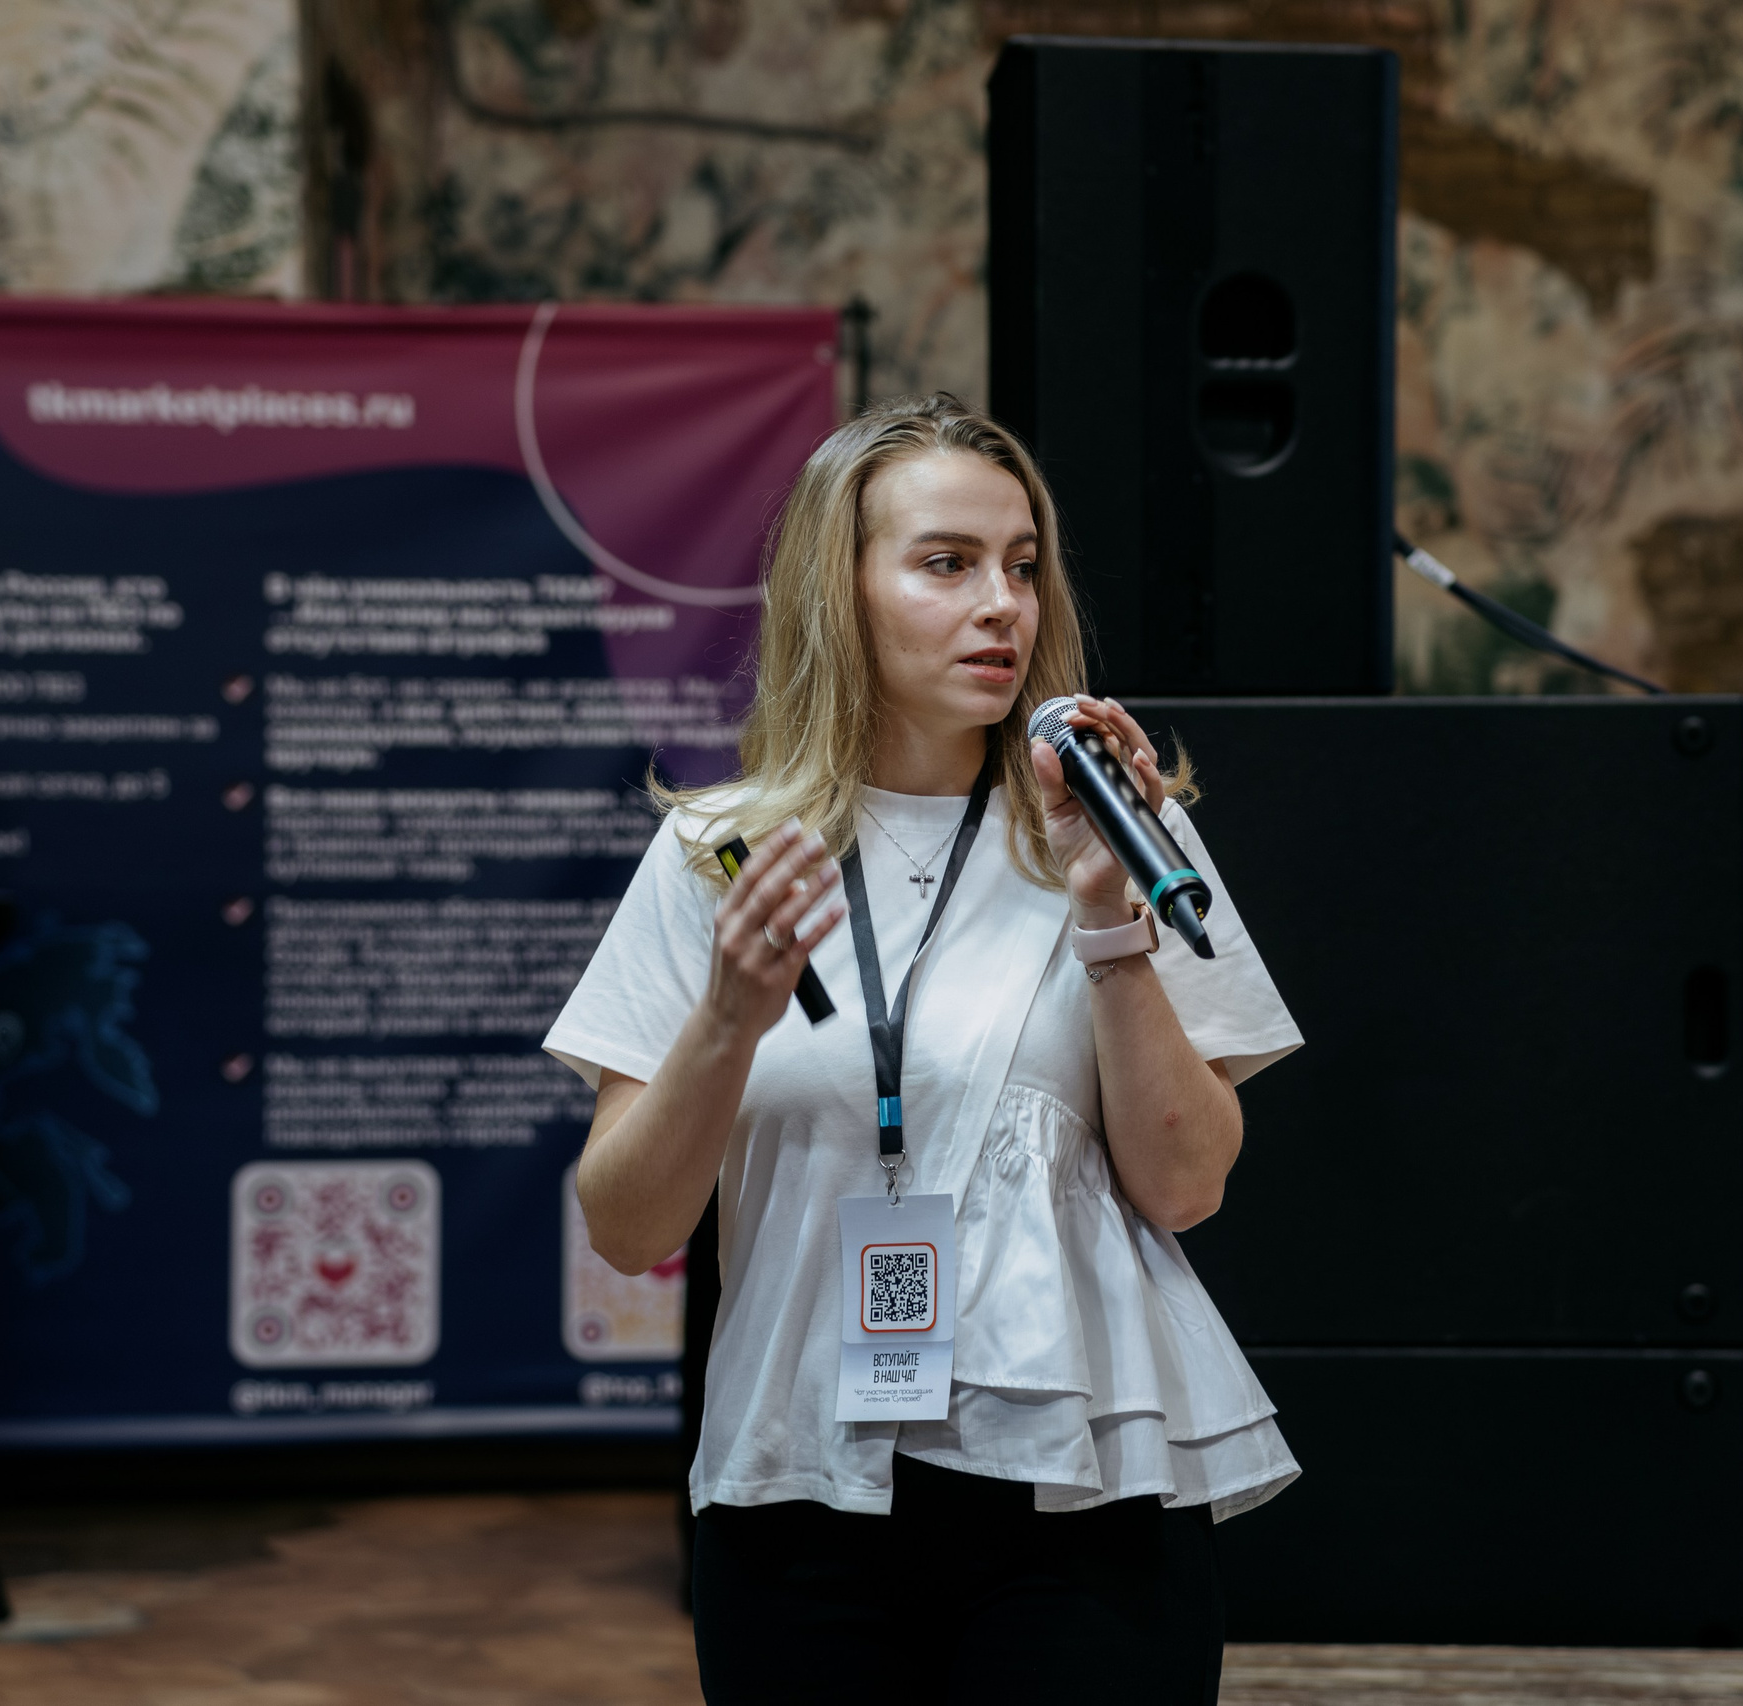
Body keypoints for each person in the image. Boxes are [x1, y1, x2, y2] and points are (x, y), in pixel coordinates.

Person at [544, 394, 1302, 1704]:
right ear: (839, 593)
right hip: (799, 1492)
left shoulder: (1118, 830)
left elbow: (1188, 1186)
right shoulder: (721, 855)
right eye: (947, 563)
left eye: (1022, 565)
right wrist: (727, 1018)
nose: (1002, 604)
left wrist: (1108, 923)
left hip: (1082, 1491)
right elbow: (625, 1225)